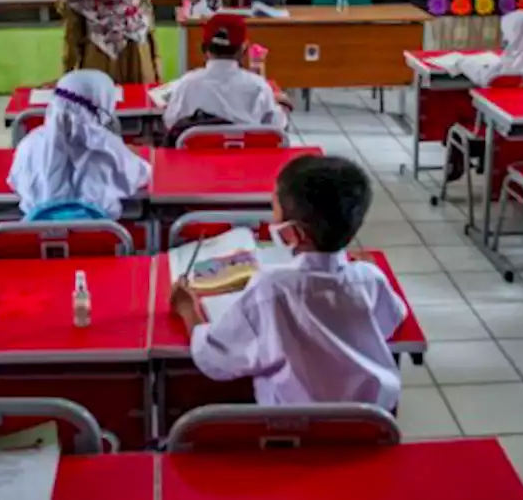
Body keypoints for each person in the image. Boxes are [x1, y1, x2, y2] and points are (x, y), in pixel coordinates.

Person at [170, 155, 407, 409]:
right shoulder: (369, 279)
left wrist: (187, 310)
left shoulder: (272, 287)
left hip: (293, 430)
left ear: (294, 232)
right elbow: (393, 317)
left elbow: (216, 357)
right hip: (369, 425)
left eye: (275, 207)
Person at [8, 70, 151, 219]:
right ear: (103, 105)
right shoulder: (110, 149)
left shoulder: (28, 145)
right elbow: (142, 175)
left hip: (33, 236)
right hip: (100, 238)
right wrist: (128, 153)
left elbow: (15, 181)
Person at [161, 13, 291, 143]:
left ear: (204, 48)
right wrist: (281, 105)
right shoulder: (259, 87)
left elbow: (170, 122)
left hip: (196, 161)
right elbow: (277, 128)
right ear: (243, 49)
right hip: (247, 160)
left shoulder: (187, 84)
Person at [463, 10, 523, 87]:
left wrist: (462, 62)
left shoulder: (500, 75)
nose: (505, 39)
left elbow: (483, 77)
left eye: (507, 33)